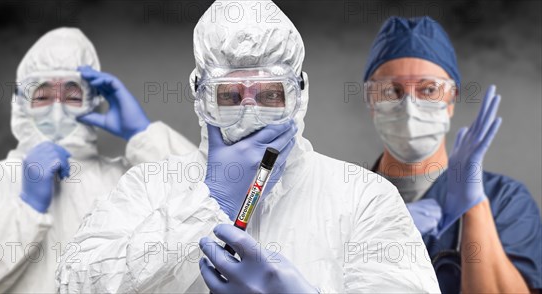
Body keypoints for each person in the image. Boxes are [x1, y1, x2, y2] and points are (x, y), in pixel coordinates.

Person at [56, 2, 440, 293]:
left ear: (299, 92)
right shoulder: (149, 187)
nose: (250, 111)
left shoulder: (363, 197)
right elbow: (74, 285)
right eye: (231, 95)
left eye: (271, 94)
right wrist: (209, 202)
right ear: (200, 93)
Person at [0, 28, 195, 293]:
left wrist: (143, 134)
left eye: (73, 97)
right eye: (42, 96)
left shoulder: (127, 182)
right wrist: (26, 210)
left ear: (94, 103)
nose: (57, 110)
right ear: (19, 103)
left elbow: (210, 208)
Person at [363, 16, 542, 293]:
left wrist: (475, 210)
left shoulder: (505, 201)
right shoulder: (341, 198)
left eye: (429, 90)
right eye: (391, 90)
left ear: (451, 100)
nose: (409, 106)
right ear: (370, 101)